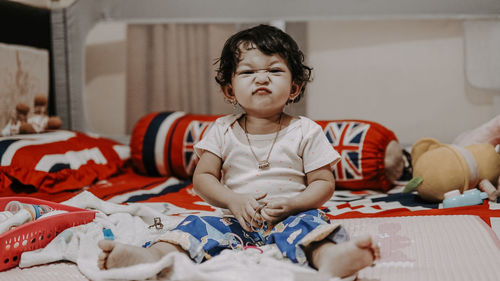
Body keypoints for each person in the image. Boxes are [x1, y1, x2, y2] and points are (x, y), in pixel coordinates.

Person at [97, 24, 380, 278]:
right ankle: (150, 257)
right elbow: (203, 178)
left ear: (294, 88)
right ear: (230, 91)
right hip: (233, 218)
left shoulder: (306, 130)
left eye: (274, 70)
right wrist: (232, 200)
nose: (261, 78)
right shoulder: (222, 129)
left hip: (291, 216)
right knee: (192, 226)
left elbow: (323, 182)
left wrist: (295, 204)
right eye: (248, 72)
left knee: (313, 229)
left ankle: (332, 259)